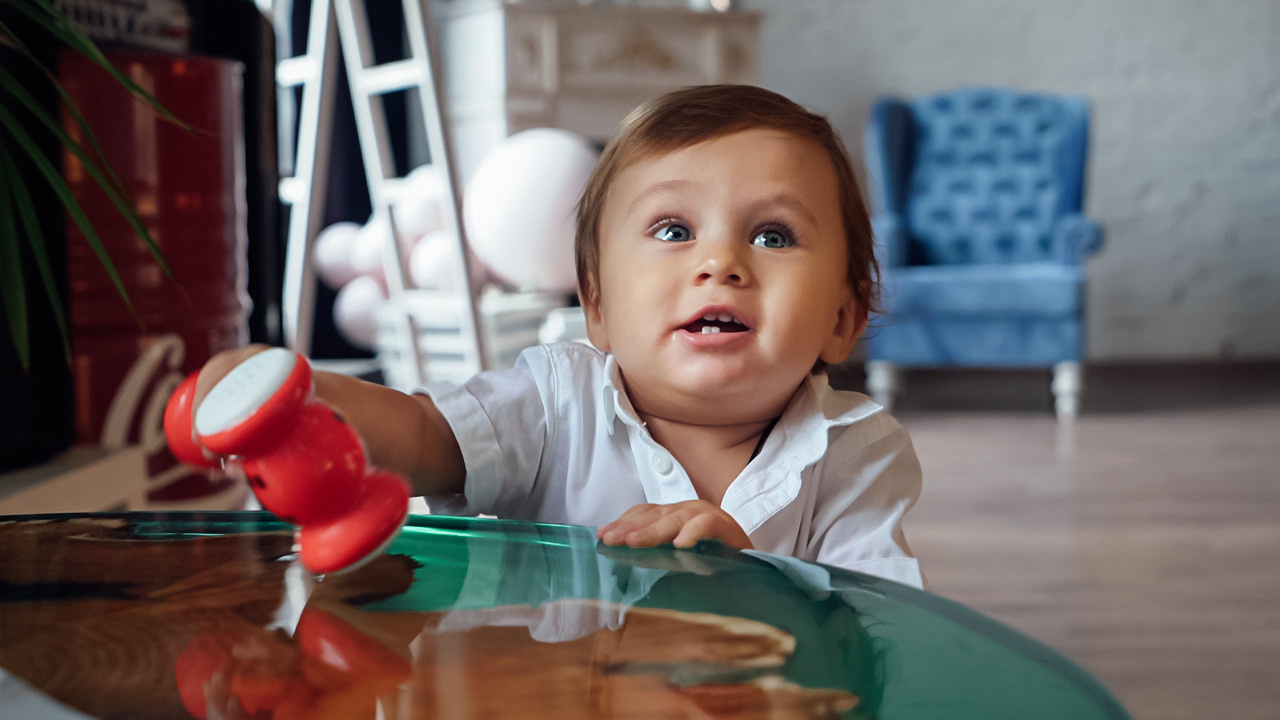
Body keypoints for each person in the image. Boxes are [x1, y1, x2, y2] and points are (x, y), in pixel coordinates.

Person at [193, 84, 924, 588]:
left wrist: (755, 582)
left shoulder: (854, 452)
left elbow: (876, 630)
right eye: (674, 229)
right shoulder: (553, 404)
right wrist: (298, 396)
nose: (720, 263)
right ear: (596, 304)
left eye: (773, 234)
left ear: (842, 319)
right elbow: (420, 435)